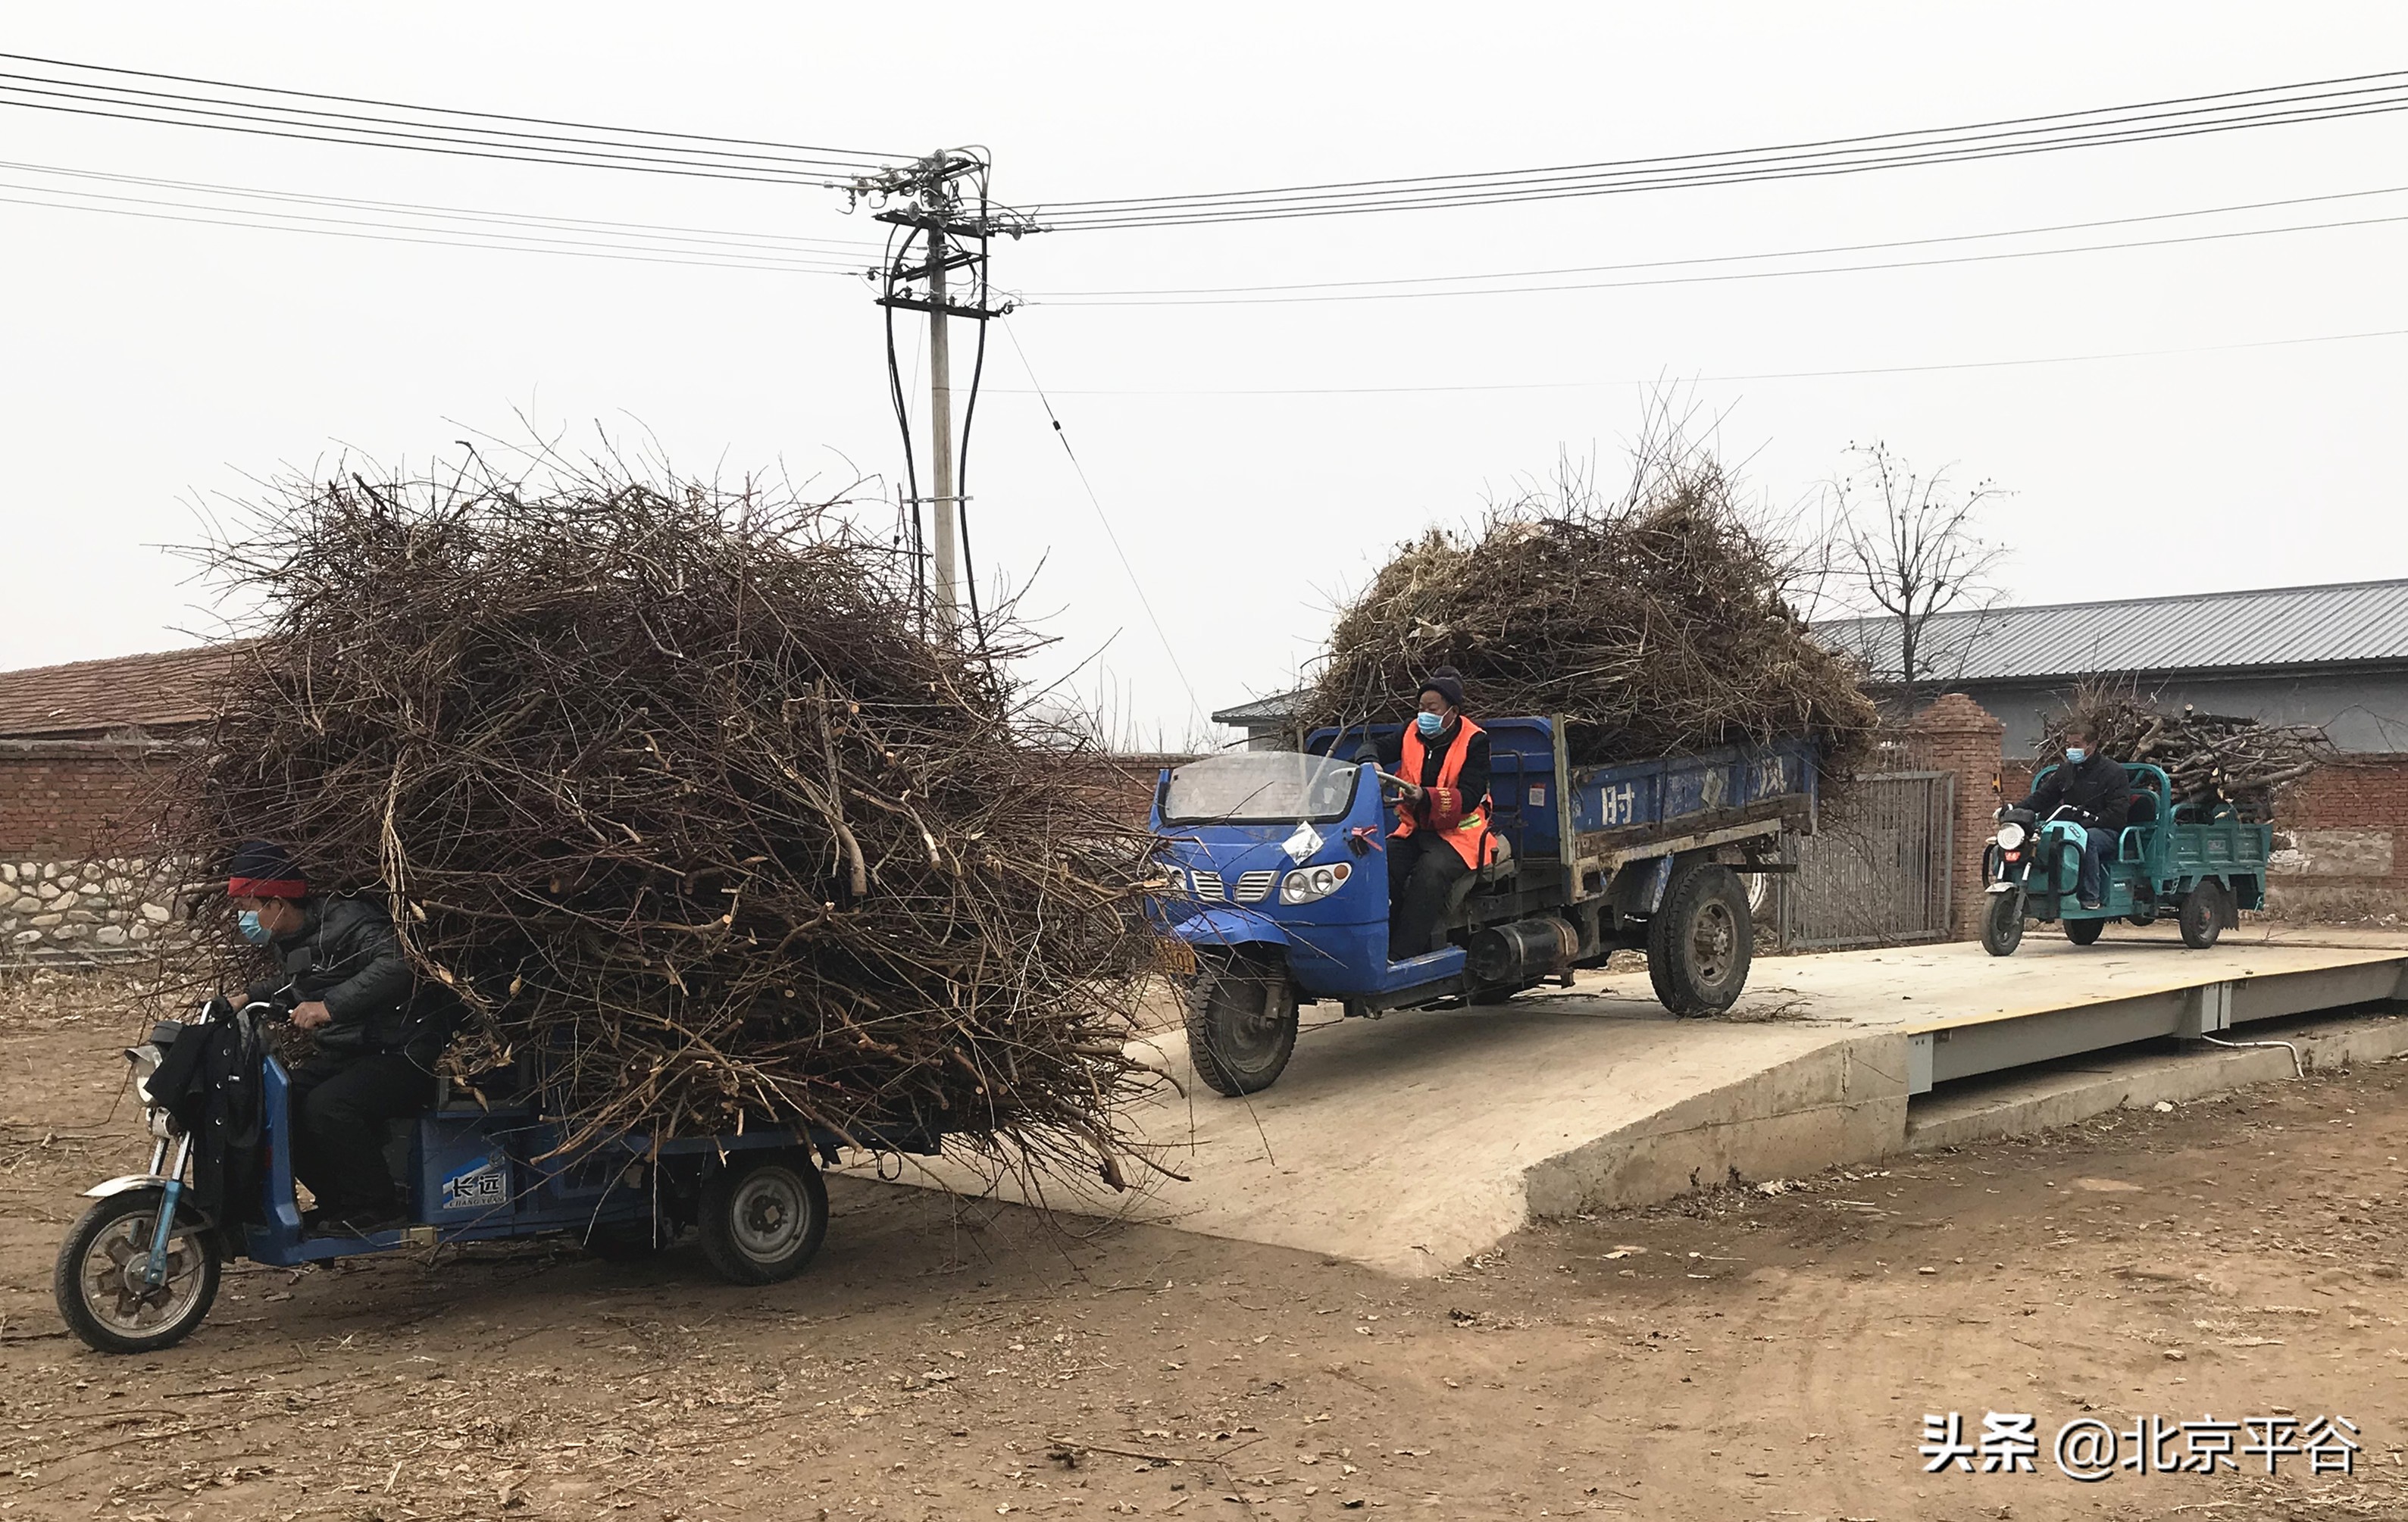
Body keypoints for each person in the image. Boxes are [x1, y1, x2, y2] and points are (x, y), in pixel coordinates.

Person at [228, 839, 457, 1233]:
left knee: (327, 1106)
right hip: (352, 1051)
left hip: (404, 1050)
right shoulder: (292, 939)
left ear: (276, 903)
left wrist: (329, 1007)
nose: (242, 919)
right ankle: (341, 1203)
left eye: (247, 908)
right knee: (278, 1099)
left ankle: (378, 1206)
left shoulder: (350, 920)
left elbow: (398, 965)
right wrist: (248, 997)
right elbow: (298, 982)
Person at [1380, 667, 1495, 959]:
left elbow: (1469, 797)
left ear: (1452, 711)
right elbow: (1375, 747)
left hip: (1459, 835)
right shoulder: (1411, 731)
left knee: (1430, 874)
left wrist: (1425, 796)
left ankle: (1403, 954)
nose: (1424, 714)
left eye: (1432, 708)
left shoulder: (1475, 741)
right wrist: (1372, 761)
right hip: (1415, 830)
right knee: (1381, 863)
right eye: (1420, 708)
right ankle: (1379, 943)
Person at [2014, 725, 2131, 909]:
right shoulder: (2066, 770)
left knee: (2087, 840)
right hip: (2070, 828)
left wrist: (2088, 823)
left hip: (2105, 831)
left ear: (2092, 746)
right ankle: (2038, 888)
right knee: (2036, 837)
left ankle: (2090, 896)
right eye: (2068, 745)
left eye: (2077, 745)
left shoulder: (2114, 772)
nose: (2071, 750)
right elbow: (2044, 796)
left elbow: (2117, 814)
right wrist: (2015, 809)